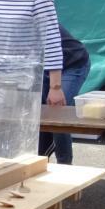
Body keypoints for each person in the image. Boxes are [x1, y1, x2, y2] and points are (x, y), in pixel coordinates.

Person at [40, 23, 91, 164]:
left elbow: (53, 50)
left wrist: (55, 87)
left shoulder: (37, 8)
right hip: (42, 67)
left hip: (72, 63)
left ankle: (65, 164)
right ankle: (39, 159)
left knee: (57, 111)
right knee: (37, 113)